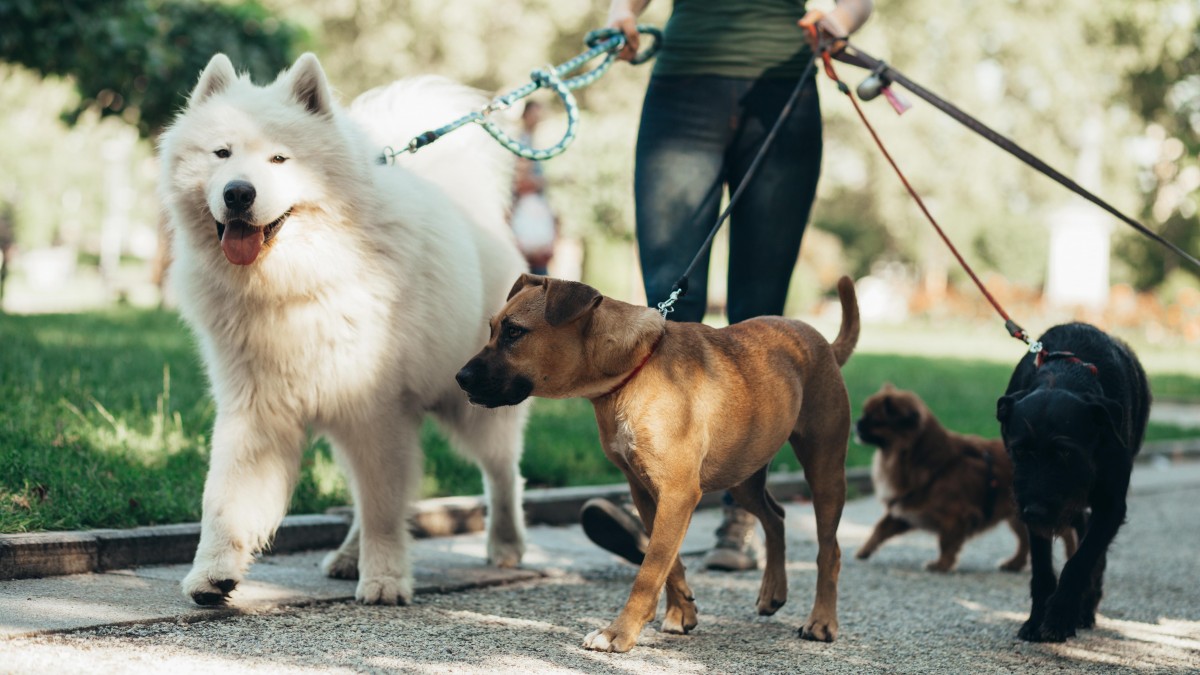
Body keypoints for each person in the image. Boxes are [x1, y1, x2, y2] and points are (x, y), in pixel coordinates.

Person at [580, 0, 874, 571]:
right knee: (667, 301)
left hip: (782, 84)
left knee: (757, 323)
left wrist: (838, 22)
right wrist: (622, 13)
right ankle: (655, 493)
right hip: (684, 87)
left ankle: (740, 512)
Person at [509, 101, 559, 275]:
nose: (537, 119)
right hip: (524, 217)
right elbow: (520, 180)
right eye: (534, 114)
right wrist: (541, 181)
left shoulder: (531, 141)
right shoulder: (522, 143)